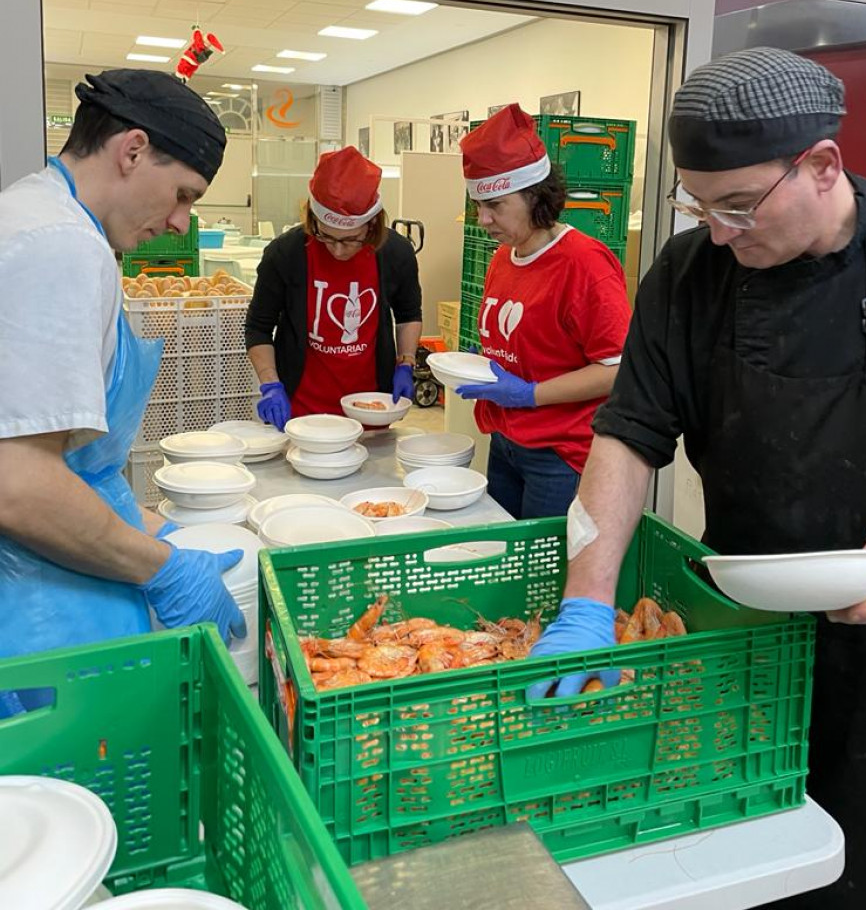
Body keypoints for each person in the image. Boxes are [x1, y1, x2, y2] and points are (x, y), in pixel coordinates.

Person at [528, 47, 866, 908]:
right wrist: (586, 602)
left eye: (739, 207)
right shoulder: (690, 274)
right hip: (747, 633)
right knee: (746, 862)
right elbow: (626, 437)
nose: (720, 232)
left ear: (823, 166)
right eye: (700, 206)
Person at [0, 69, 246, 691]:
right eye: (184, 195)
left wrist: (145, 523)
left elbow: (70, 462)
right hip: (36, 604)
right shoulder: (60, 247)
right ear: (132, 150)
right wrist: (163, 567)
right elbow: (20, 485)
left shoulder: (38, 214)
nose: (181, 224)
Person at [454, 105, 631, 518]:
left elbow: (616, 368)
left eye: (495, 204)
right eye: (477, 205)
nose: (483, 219)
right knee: (509, 557)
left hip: (560, 455)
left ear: (534, 195)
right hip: (507, 439)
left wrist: (530, 394)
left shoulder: (584, 264)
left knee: (544, 575)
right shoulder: (504, 257)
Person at [246, 147, 422, 426]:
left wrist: (405, 363)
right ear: (312, 220)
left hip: (369, 406)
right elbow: (258, 326)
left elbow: (408, 314)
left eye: (351, 239)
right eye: (326, 237)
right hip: (301, 409)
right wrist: (270, 384)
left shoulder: (396, 253)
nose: (338, 251)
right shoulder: (285, 254)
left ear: (372, 224)